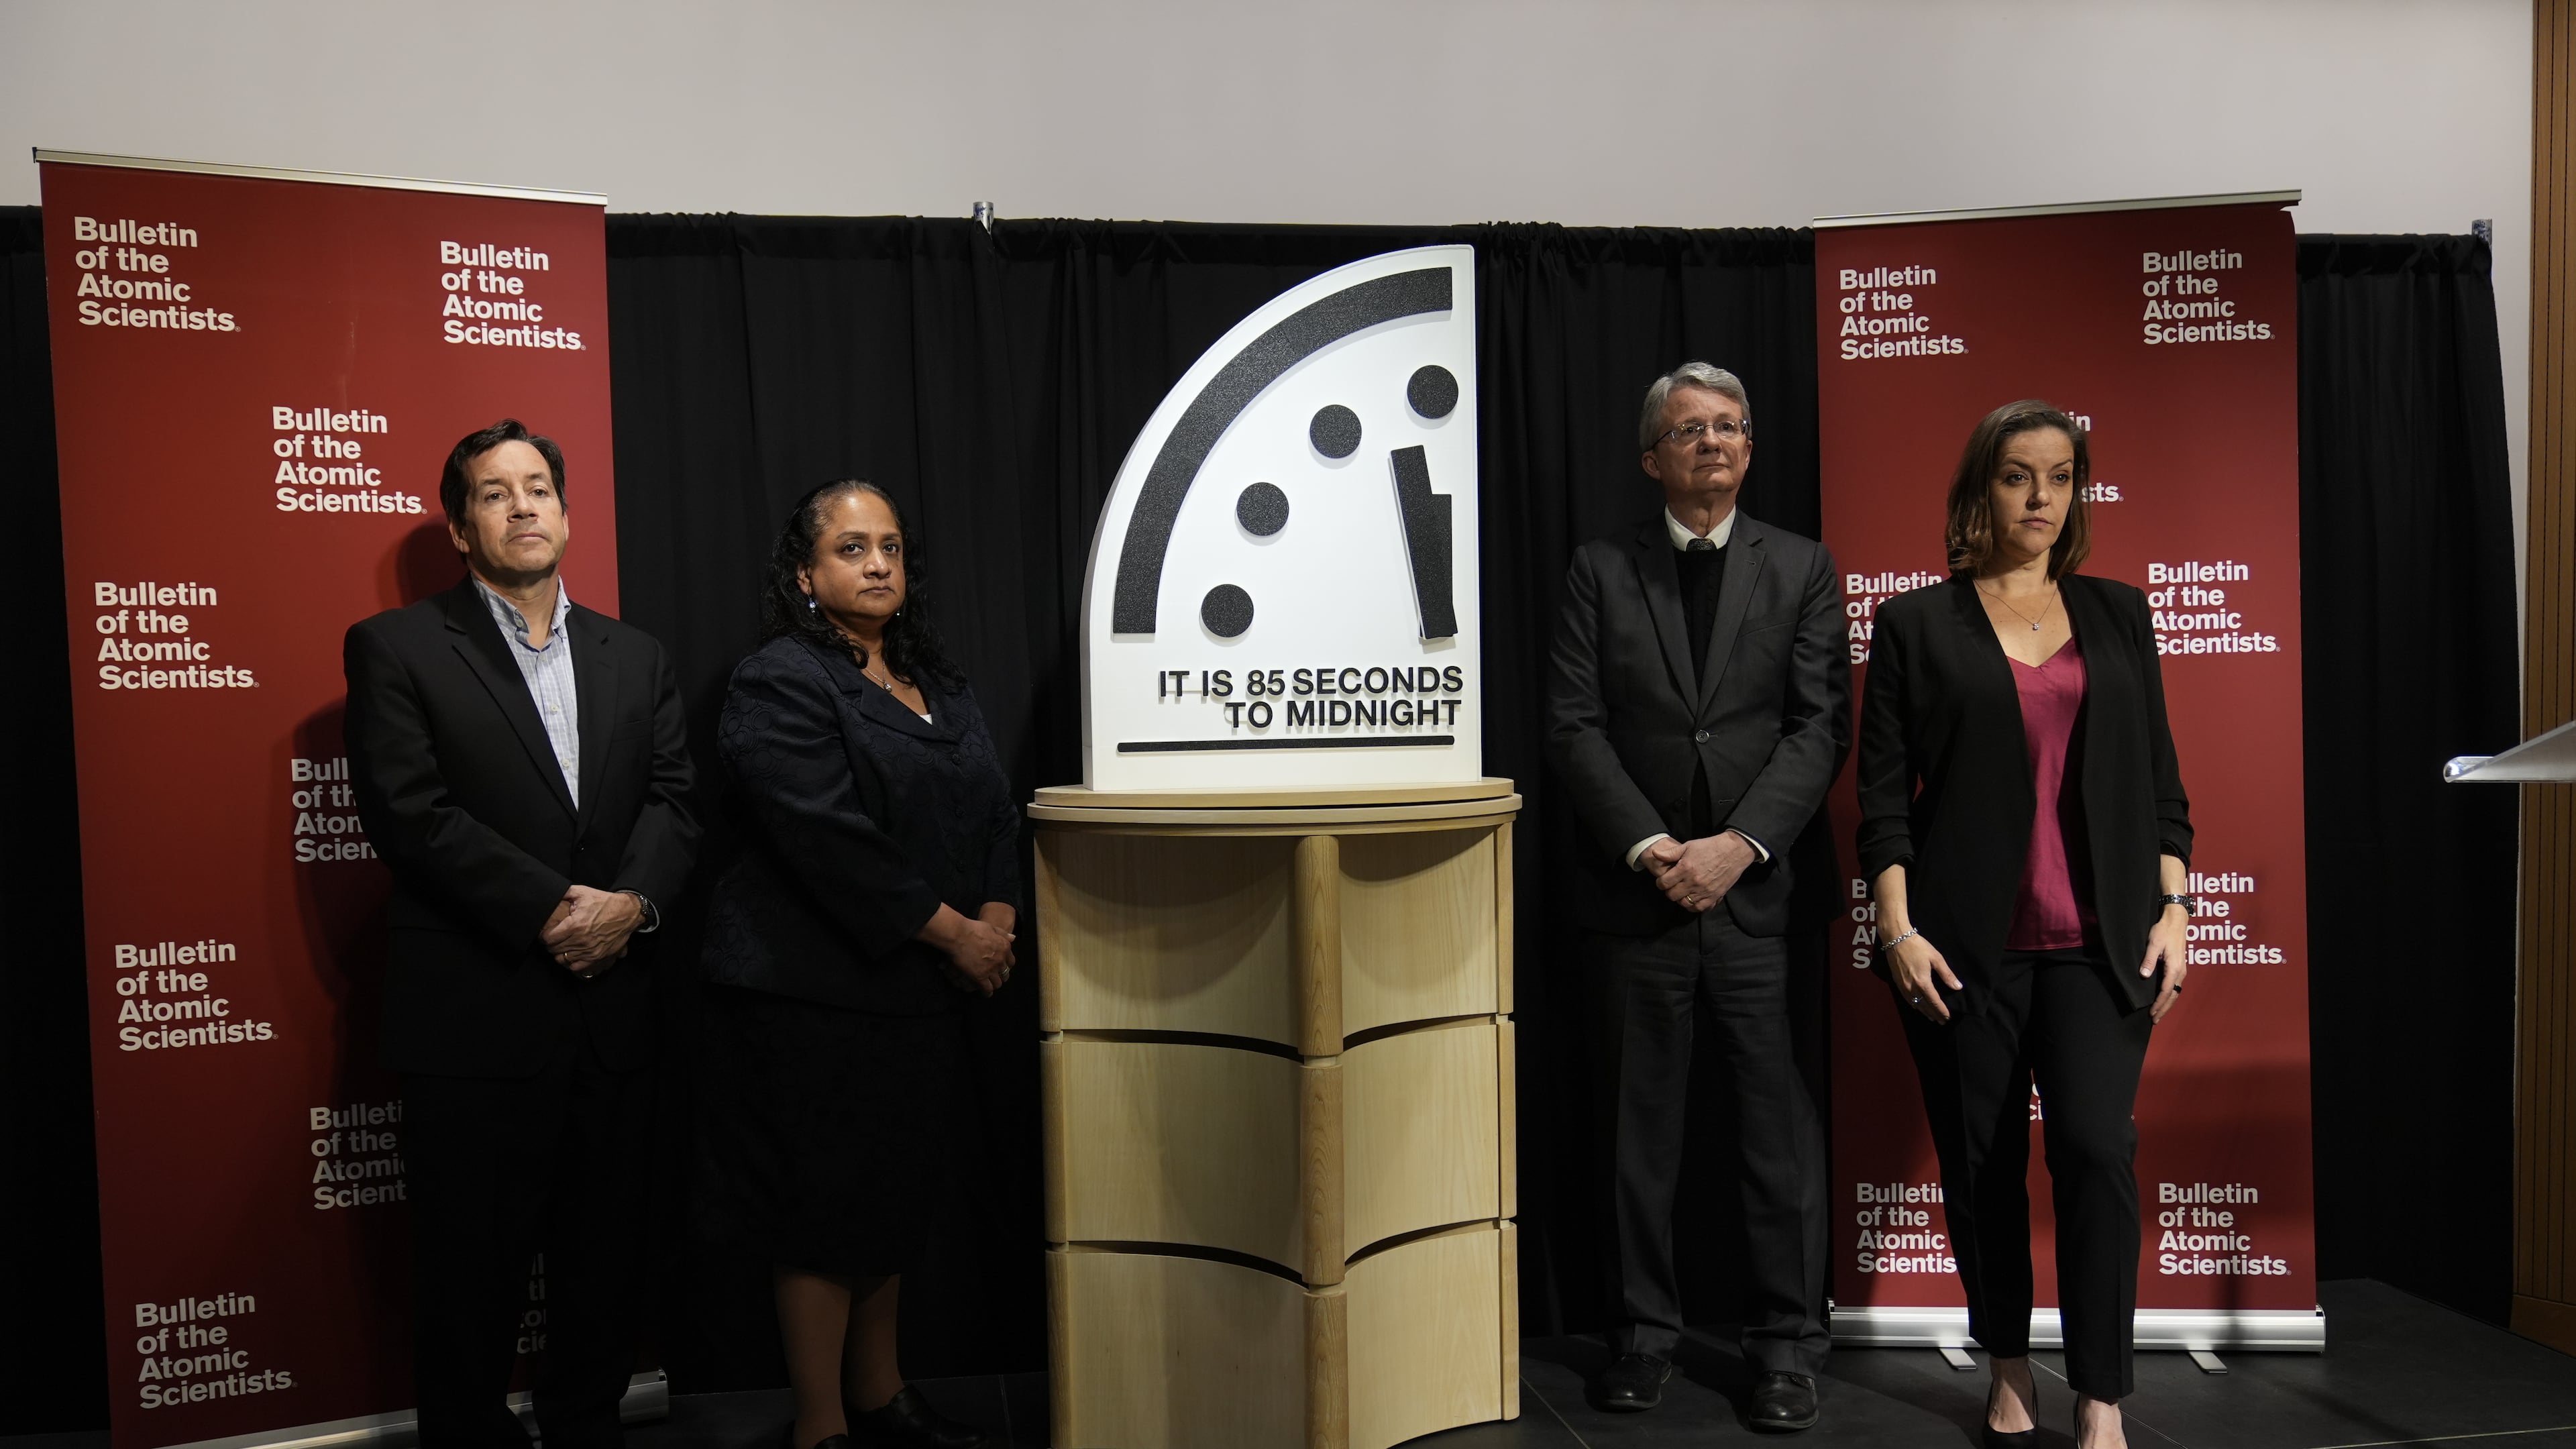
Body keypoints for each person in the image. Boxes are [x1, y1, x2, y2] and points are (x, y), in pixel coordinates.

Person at [344, 419, 700, 1448]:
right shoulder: (398, 647)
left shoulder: (635, 654)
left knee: (603, 1277)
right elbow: (411, 815)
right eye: (494, 494)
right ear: (461, 529)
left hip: (616, 1019)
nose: (523, 506)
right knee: (469, 1284)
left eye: (538, 487)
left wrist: (630, 909)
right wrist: (556, 910)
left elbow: (676, 804)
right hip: (475, 1024)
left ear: (568, 511)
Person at [1857, 400, 2194, 1449]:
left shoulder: (2119, 613)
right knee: (1981, 1166)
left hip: (2101, 944)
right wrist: (1901, 932)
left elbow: (2164, 788)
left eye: (2060, 476)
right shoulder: (1918, 623)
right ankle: (2009, 1365)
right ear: (1980, 490)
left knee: (2096, 1151)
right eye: (2017, 476)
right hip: (1964, 947)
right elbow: (1882, 804)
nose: (2041, 497)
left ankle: (2101, 1391)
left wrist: (2176, 905)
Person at [1546, 362, 1851, 1432]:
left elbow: (1820, 727)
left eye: (1729, 426)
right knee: (1640, 1135)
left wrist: (1741, 846)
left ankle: (1784, 1348)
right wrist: (1652, 848)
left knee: (1776, 1136)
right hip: (1639, 901)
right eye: (1689, 430)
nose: (1712, 442)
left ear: (1750, 448)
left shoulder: (1803, 567)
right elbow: (1574, 728)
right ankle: (1643, 1338)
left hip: (1758, 902)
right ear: (1652, 459)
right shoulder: (1598, 569)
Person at [697, 480, 1018, 1449]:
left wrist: (996, 918)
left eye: (889, 547)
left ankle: (882, 1396)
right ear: (806, 575)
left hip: (919, 994)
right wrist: (954, 934)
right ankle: (822, 1425)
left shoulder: (940, 684)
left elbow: (995, 812)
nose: (877, 563)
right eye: (850, 548)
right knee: (824, 1213)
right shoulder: (779, 679)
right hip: (814, 995)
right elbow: (825, 840)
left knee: (892, 1204)